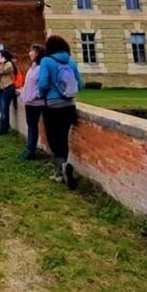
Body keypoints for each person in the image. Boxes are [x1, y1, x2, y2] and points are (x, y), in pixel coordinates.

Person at [37, 35, 84, 189]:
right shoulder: (71, 61)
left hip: (52, 105)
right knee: (63, 138)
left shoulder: (46, 61)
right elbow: (81, 83)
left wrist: (43, 92)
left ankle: (61, 168)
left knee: (53, 138)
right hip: (69, 106)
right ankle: (63, 168)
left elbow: (43, 82)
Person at [20, 44, 46, 160]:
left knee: (33, 126)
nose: (30, 53)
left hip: (36, 103)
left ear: (38, 54)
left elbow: (42, 85)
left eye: (32, 51)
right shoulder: (33, 67)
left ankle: (31, 151)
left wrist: (34, 96)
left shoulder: (40, 68)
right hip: (29, 102)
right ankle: (30, 149)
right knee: (31, 126)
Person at [0, 49, 17, 135]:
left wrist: (1, 63)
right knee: (3, 109)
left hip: (8, 88)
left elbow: (1, 71)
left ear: (4, 56)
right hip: (1, 88)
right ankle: (4, 126)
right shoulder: (1, 64)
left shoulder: (9, 64)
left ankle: (4, 129)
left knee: (4, 109)